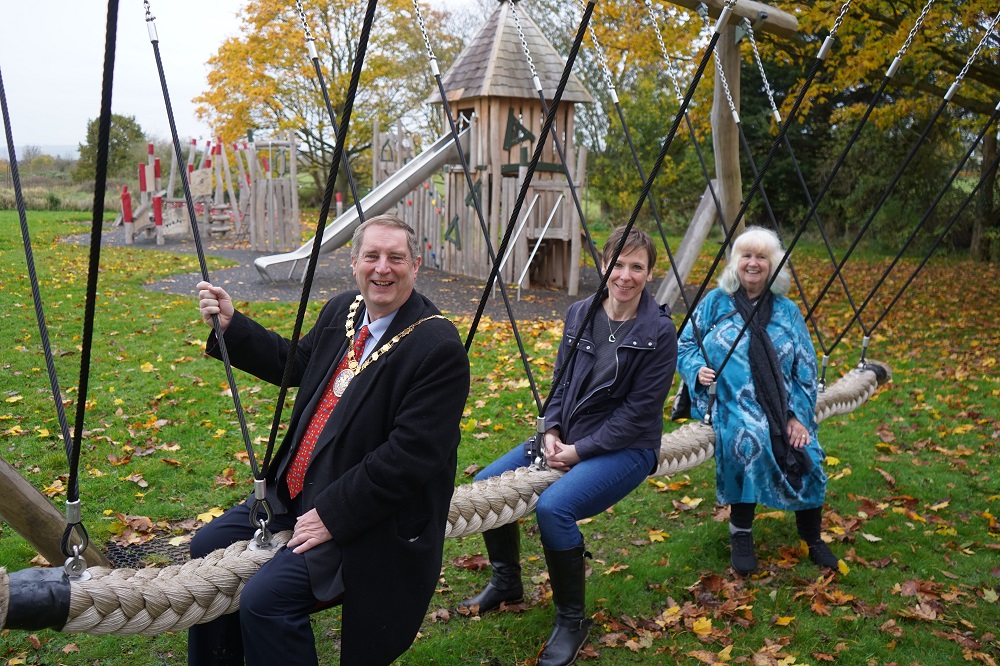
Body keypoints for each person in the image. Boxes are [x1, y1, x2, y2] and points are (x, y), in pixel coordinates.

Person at [188, 214, 470, 665]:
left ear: (415, 266)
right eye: (372, 256)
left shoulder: (436, 347)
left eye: (396, 258)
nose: (383, 268)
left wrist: (334, 515)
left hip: (367, 515)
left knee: (267, 601)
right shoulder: (345, 309)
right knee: (205, 549)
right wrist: (232, 326)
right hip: (295, 493)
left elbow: (410, 458)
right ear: (354, 262)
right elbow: (296, 363)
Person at [458, 226, 678, 666]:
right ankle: (507, 582)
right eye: (618, 264)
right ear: (604, 265)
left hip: (629, 448)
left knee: (554, 509)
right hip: (567, 437)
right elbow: (558, 384)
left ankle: (572, 619)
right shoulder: (580, 313)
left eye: (637, 266)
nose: (625, 275)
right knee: (486, 483)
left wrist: (579, 451)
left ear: (650, 273)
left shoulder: (659, 333)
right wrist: (552, 430)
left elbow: (638, 414)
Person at [676, 226, 839, 575]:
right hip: (730, 401)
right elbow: (685, 345)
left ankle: (812, 537)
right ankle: (741, 534)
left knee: (807, 450)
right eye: (746, 256)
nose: (753, 263)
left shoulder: (787, 311)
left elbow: (805, 369)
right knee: (747, 438)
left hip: (783, 406)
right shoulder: (714, 303)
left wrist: (796, 417)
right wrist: (698, 370)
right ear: (735, 263)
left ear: (773, 264)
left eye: (761, 257)